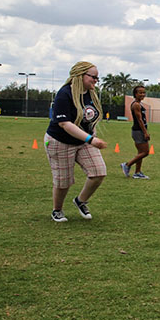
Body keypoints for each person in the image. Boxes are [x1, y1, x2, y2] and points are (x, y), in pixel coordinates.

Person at [44, 61, 108, 222]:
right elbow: (64, 124)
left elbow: (88, 118)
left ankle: (80, 201)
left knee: (99, 172)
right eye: (93, 77)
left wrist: (90, 134)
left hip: (83, 141)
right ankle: (57, 210)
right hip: (60, 141)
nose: (95, 80)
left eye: (97, 78)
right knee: (63, 181)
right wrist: (90, 139)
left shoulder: (89, 94)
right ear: (80, 76)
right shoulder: (64, 94)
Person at [121, 86, 150, 179]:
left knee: (140, 152)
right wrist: (145, 132)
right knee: (145, 152)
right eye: (140, 93)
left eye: (143, 93)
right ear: (135, 94)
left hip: (139, 130)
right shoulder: (136, 105)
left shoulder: (139, 104)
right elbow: (139, 120)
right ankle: (127, 165)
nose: (142, 94)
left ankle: (137, 172)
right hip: (138, 131)